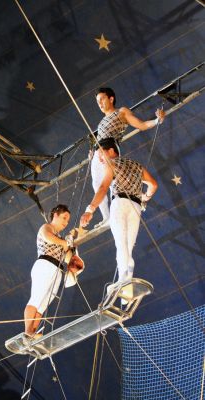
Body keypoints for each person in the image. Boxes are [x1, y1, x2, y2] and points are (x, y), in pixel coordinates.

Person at [81, 137, 158, 286]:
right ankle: (125, 286)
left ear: (111, 150)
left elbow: (103, 188)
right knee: (128, 247)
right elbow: (153, 185)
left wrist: (90, 210)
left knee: (121, 245)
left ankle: (123, 282)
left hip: (120, 204)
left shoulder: (112, 164)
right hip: (136, 207)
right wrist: (145, 198)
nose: (100, 159)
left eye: (101, 154)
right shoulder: (137, 165)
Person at [91, 87, 165, 227]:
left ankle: (120, 209)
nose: (99, 103)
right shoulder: (100, 123)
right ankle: (106, 217)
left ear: (111, 99)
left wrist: (157, 121)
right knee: (96, 185)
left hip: (109, 151)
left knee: (111, 182)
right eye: (97, 101)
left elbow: (141, 125)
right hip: (98, 153)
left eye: (102, 99)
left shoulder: (121, 112)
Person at [24, 204, 71, 339]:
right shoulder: (47, 227)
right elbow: (49, 237)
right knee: (36, 299)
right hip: (45, 265)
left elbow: (67, 258)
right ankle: (28, 332)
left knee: (42, 305)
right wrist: (64, 244)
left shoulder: (62, 238)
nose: (65, 222)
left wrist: (70, 245)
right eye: (64, 218)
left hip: (57, 270)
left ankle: (32, 332)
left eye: (67, 220)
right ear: (55, 215)